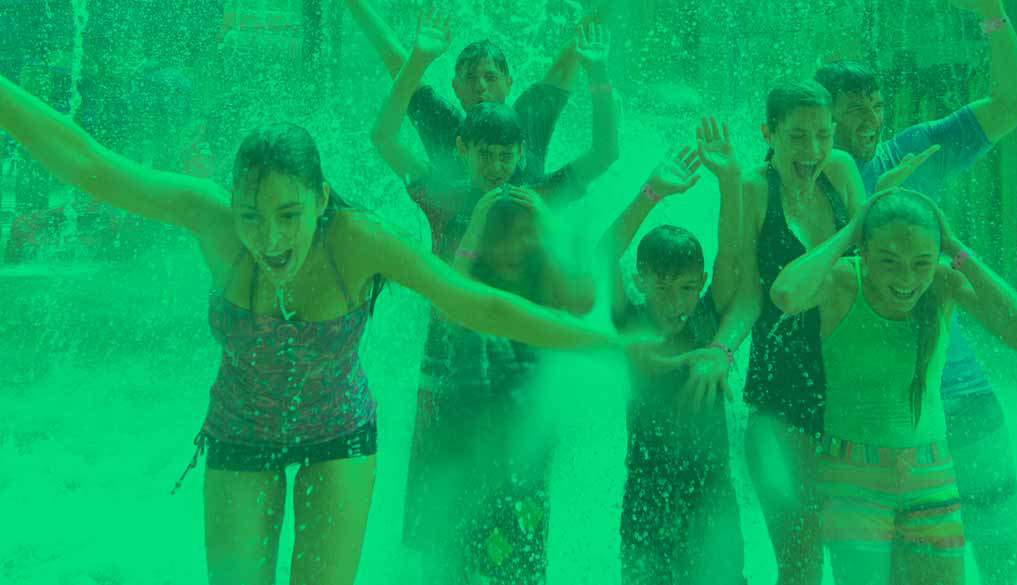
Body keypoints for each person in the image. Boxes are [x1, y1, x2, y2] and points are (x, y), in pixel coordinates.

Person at [0, 71, 626, 585]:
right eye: (252, 215)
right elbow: (88, 163)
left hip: (339, 432)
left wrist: (597, 339)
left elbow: (470, 302)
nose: (269, 238)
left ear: (321, 199)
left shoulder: (359, 241)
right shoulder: (213, 223)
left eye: (288, 215)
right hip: (240, 429)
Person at [814, 4, 1017, 582]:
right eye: (854, 108)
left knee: (1002, 544)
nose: (871, 119)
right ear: (822, 117)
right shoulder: (805, 185)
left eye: (877, 105)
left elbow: (1013, 105)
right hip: (873, 421)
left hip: (960, 387)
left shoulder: (913, 153)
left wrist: (992, 15)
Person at [771, 189, 1017, 585]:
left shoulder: (945, 284)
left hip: (931, 473)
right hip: (852, 474)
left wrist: (957, 249)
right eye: (889, 261)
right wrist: (849, 233)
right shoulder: (845, 281)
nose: (906, 279)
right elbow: (786, 293)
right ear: (864, 251)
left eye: (921, 263)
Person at [404, 184, 592, 584]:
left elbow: (580, 303)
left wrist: (547, 227)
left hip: (524, 446)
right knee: (459, 555)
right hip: (465, 442)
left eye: (522, 233)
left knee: (523, 556)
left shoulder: (543, 281)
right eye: (501, 234)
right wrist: (472, 230)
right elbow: (444, 308)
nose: (512, 245)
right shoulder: (470, 282)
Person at [725, 80, 865, 585]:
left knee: (859, 556)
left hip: (848, 397)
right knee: (801, 562)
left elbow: (871, 270)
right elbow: (747, 295)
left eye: (824, 135)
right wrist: (721, 348)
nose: (813, 150)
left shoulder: (843, 173)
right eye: (799, 137)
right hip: (779, 398)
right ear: (770, 133)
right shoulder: (753, 189)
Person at [597, 118, 748, 584]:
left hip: (713, 493)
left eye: (686, 287)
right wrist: (651, 192)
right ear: (640, 281)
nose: (676, 301)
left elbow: (734, 256)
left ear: (700, 284)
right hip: (646, 491)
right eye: (662, 286)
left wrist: (729, 181)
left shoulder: (706, 320)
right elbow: (600, 258)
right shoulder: (632, 322)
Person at [347, 0, 585, 183]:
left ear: (508, 84)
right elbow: (397, 62)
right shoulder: (444, 124)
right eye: (470, 79)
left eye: (490, 77)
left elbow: (571, 56)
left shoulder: (528, 118)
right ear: (456, 88)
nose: (481, 87)